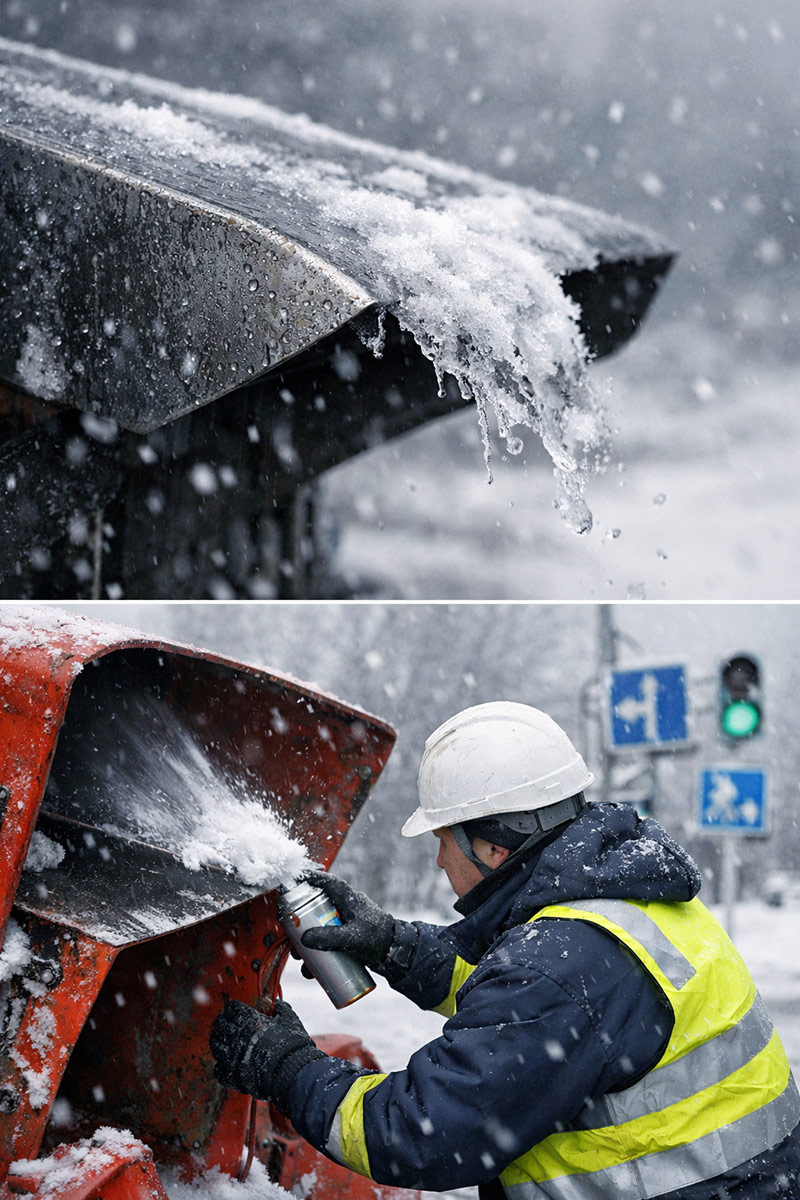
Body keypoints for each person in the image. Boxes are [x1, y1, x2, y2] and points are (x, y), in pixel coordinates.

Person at [211, 701, 800, 1200]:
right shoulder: (621, 898)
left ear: (493, 847)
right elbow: (519, 992)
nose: (439, 861)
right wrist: (393, 945)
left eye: (443, 841)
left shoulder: (562, 965)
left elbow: (423, 1132)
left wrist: (287, 1069)